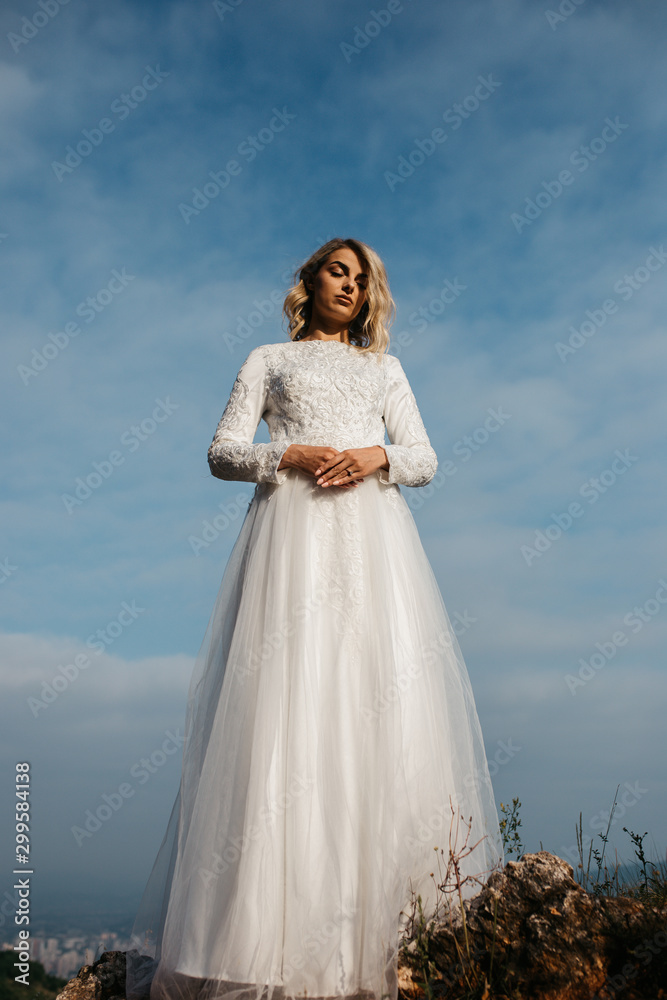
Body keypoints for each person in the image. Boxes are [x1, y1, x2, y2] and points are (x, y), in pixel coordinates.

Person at [125, 237, 504, 1000]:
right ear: (309, 279)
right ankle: (256, 948)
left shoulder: (384, 369)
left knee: (376, 705)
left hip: (374, 547)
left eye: (362, 279)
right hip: (288, 545)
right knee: (283, 711)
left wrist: (376, 457)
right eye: (338, 271)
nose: (350, 286)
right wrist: (288, 455)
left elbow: (425, 457)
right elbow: (221, 453)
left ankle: (380, 943)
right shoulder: (268, 359)